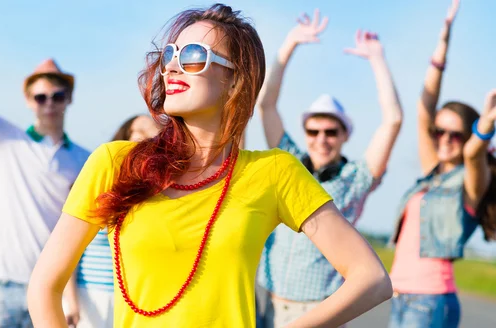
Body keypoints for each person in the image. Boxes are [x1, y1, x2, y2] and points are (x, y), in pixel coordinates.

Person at [27, 4, 392, 328]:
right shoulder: (115, 162)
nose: (172, 66)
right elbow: (45, 286)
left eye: (193, 56)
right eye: (171, 54)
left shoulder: (274, 172)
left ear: (234, 82)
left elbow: (371, 278)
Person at [255, 9, 403, 328]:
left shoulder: (356, 179)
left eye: (331, 132)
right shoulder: (288, 162)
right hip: (267, 301)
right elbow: (266, 104)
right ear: (304, 133)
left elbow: (393, 121)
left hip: (317, 311)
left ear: (345, 135)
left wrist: (377, 59)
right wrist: (290, 44)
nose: (322, 139)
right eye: (313, 131)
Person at [0, 1, 90, 326]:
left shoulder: (84, 160)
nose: (49, 104)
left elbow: (76, 233)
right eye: (41, 97)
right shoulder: (2, 136)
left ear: (69, 98)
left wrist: (70, 295)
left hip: (48, 290)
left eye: (57, 96)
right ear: (28, 100)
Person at [387, 1, 496, 327]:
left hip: (431, 301)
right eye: (439, 131)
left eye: (455, 134)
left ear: (468, 136)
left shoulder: (472, 182)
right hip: (399, 295)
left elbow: (475, 153)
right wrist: (442, 44)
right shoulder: (431, 172)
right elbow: (424, 109)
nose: (444, 139)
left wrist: (486, 127)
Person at [63, 115, 161, 328]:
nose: (145, 138)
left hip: (134, 303)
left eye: (153, 134)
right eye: (139, 132)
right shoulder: (96, 187)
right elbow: (68, 255)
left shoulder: (159, 197)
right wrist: (71, 303)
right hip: (89, 299)